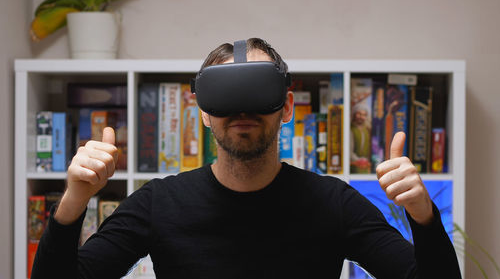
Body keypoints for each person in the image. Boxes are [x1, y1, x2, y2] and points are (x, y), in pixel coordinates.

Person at [32, 38, 461, 279]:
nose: (242, 111)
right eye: (226, 96)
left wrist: (423, 216)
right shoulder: (157, 204)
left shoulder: (335, 203)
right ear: (202, 111)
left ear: (287, 106)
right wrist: (73, 202)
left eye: (257, 93)